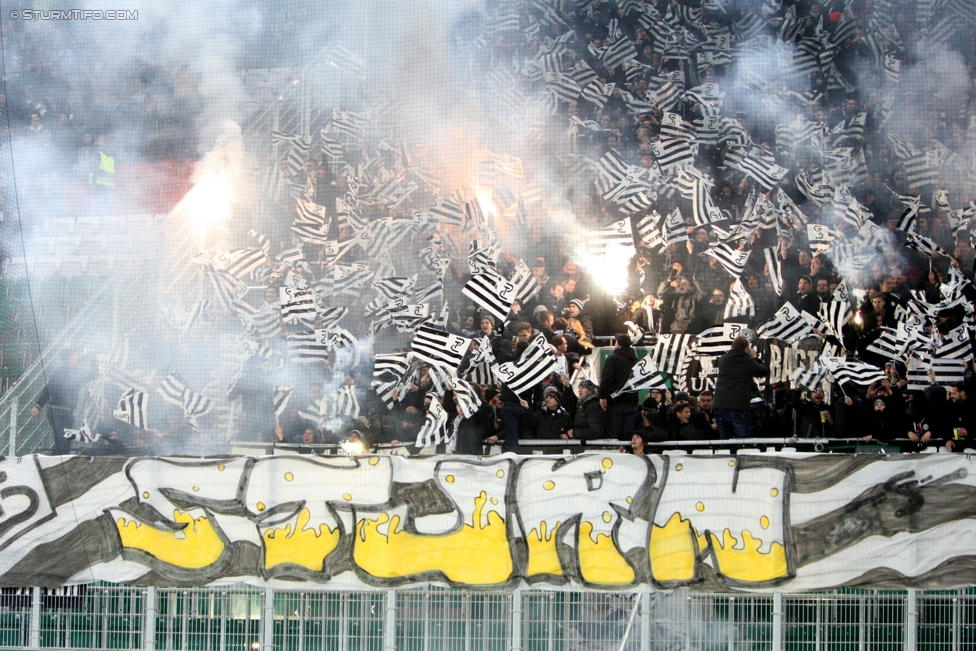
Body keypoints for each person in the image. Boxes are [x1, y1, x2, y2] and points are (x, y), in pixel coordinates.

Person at [31, 349, 97, 454]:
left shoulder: (77, 373)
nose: (77, 358)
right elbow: (48, 389)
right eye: (75, 356)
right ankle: (55, 464)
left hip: (68, 413)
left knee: (65, 442)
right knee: (61, 440)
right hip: (56, 411)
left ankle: (57, 463)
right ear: (69, 358)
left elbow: (94, 374)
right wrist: (38, 406)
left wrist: (93, 359)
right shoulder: (59, 372)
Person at [712, 336, 769, 439]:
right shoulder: (746, 359)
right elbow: (763, 371)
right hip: (737, 406)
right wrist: (754, 357)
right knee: (742, 440)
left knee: (725, 440)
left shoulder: (723, 359)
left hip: (719, 404)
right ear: (746, 348)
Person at [598, 333, 640, 440]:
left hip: (616, 403)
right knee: (627, 439)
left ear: (618, 344)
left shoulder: (613, 359)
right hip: (632, 403)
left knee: (613, 438)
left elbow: (606, 379)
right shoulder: (636, 361)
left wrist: (602, 396)